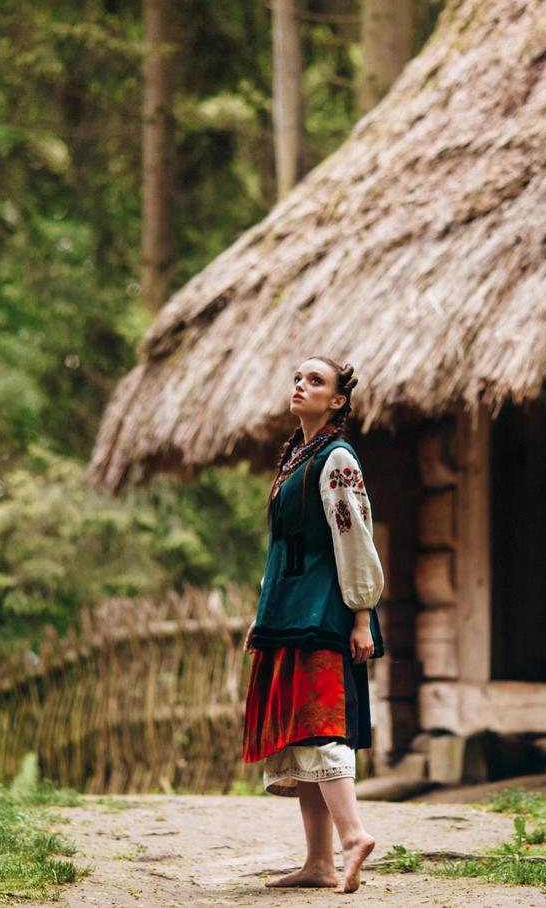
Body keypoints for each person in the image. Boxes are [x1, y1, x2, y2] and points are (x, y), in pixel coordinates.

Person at [242, 355, 385, 894]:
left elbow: (356, 538)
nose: (301, 385)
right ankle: (319, 863)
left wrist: (362, 615)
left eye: (315, 381)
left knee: (321, 724)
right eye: (298, 377)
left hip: (322, 611)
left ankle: (353, 836)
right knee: (301, 734)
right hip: (288, 609)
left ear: (338, 401)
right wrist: (264, 614)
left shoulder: (337, 458)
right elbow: (283, 550)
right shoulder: (298, 458)